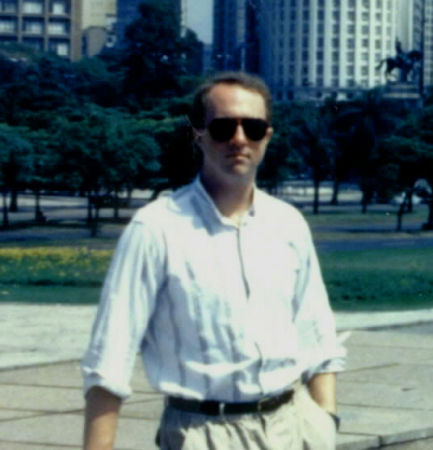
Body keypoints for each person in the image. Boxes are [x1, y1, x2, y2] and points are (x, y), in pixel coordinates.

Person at [82, 72, 346, 450]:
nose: (239, 139)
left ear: (267, 136)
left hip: (295, 426)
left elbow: (318, 339)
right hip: (204, 432)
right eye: (223, 127)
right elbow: (108, 359)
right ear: (199, 134)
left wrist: (326, 423)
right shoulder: (156, 228)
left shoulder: (288, 225)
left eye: (252, 127)